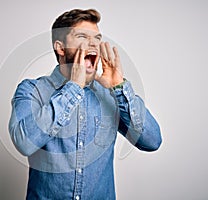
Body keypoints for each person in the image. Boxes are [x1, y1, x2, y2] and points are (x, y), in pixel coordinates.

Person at [9, 8, 162, 200]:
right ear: (60, 47)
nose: (93, 44)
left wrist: (118, 86)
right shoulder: (32, 90)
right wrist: (73, 87)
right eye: (82, 36)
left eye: (97, 38)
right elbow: (24, 143)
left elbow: (152, 141)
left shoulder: (110, 95)